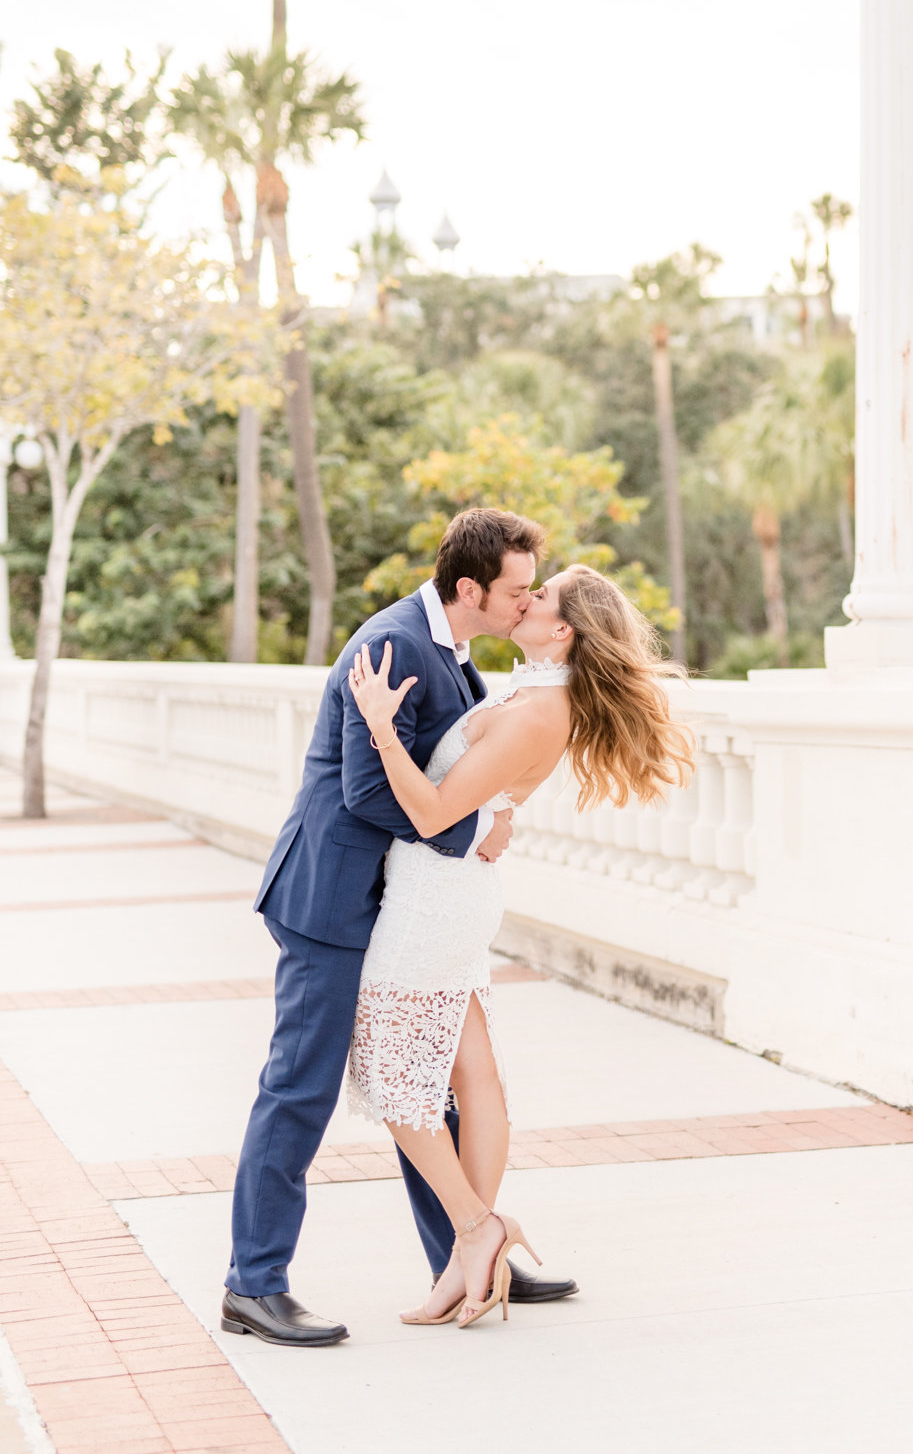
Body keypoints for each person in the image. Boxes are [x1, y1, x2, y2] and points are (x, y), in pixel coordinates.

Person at [221, 507, 578, 1348]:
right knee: (299, 1089)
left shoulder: (457, 652)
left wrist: (492, 809)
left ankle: (467, 1253)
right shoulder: (393, 644)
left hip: (387, 899)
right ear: (469, 590)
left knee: (431, 1082)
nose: (526, 604)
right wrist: (476, 823)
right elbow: (364, 792)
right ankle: (253, 1284)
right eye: (516, 591)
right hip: (329, 897)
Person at [345, 561, 694, 1328]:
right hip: (450, 895)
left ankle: (477, 1228)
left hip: (429, 903)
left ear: (561, 629)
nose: (525, 602)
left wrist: (378, 724)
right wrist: (498, 817)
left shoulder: (540, 710)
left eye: (539, 597)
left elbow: (434, 813)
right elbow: (487, 804)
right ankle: (467, 1262)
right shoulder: (531, 691)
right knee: (473, 1075)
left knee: (394, 1077)